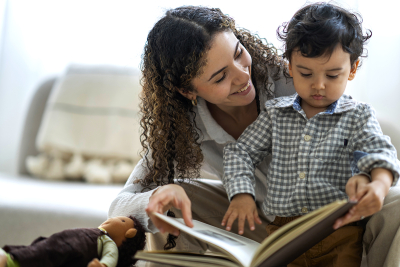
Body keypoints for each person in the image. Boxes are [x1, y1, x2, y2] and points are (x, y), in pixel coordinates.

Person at [107, 5, 400, 267]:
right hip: (260, 221)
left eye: (238, 54)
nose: (242, 76)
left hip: (332, 214)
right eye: (220, 77)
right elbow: (121, 204)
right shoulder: (183, 127)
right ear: (188, 91)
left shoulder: (297, 80)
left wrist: (372, 178)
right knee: (169, 206)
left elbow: (362, 139)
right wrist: (158, 196)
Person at [222, 2, 400, 266]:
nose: (318, 85)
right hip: (283, 233)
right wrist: (241, 194)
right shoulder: (275, 114)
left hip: (339, 231)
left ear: (352, 69)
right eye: (306, 73)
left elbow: (379, 153)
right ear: (290, 67)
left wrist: (379, 184)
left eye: (332, 75)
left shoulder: (358, 115)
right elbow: (241, 152)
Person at [0, 216, 146, 267]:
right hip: (59, 243)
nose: (111, 218)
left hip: (70, 249)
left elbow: (110, 257)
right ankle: (12, 255)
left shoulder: (109, 243)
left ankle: (11, 261)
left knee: (46, 255)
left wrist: (103, 265)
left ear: (129, 233)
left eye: (121, 220)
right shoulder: (98, 233)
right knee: (40, 246)